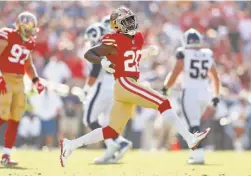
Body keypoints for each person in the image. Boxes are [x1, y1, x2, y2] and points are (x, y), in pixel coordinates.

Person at [59, 7, 211, 167]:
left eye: (131, 19)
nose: (131, 23)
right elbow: (89, 54)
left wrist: (146, 53)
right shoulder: (113, 39)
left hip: (125, 86)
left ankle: (71, 145)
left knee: (111, 131)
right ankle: (189, 138)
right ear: (118, 25)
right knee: (163, 102)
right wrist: (102, 61)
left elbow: (130, 58)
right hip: (125, 83)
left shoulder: (136, 38)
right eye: (126, 21)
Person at [0, 12, 45, 166]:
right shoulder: (7, 35)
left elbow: (28, 64)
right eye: (28, 29)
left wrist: (35, 80)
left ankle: (6, 156)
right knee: (2, 116)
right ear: (20, 26)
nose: (30, 32)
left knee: (16, 118)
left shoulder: (29, 42)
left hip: (20, 80)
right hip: (5, 77)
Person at [162, 28, 220, 164]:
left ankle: (198, 155)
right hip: (205, 93)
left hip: (190, 92)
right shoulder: (207, 54)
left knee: (193, 125)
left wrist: (166, 88)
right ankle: (195, 153)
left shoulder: (184, 53)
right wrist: (216, 95)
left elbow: (176, 72)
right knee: (194, 124)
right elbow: (216, 78)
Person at [82, 21, 132, 164]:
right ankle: (119, 142)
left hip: (104, 85)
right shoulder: (115, 43)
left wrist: (85, 90)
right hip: (117, 84)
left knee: (89, 119)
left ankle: (112, 144)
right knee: (105, 122)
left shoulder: (101, 46)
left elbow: (95, 71)